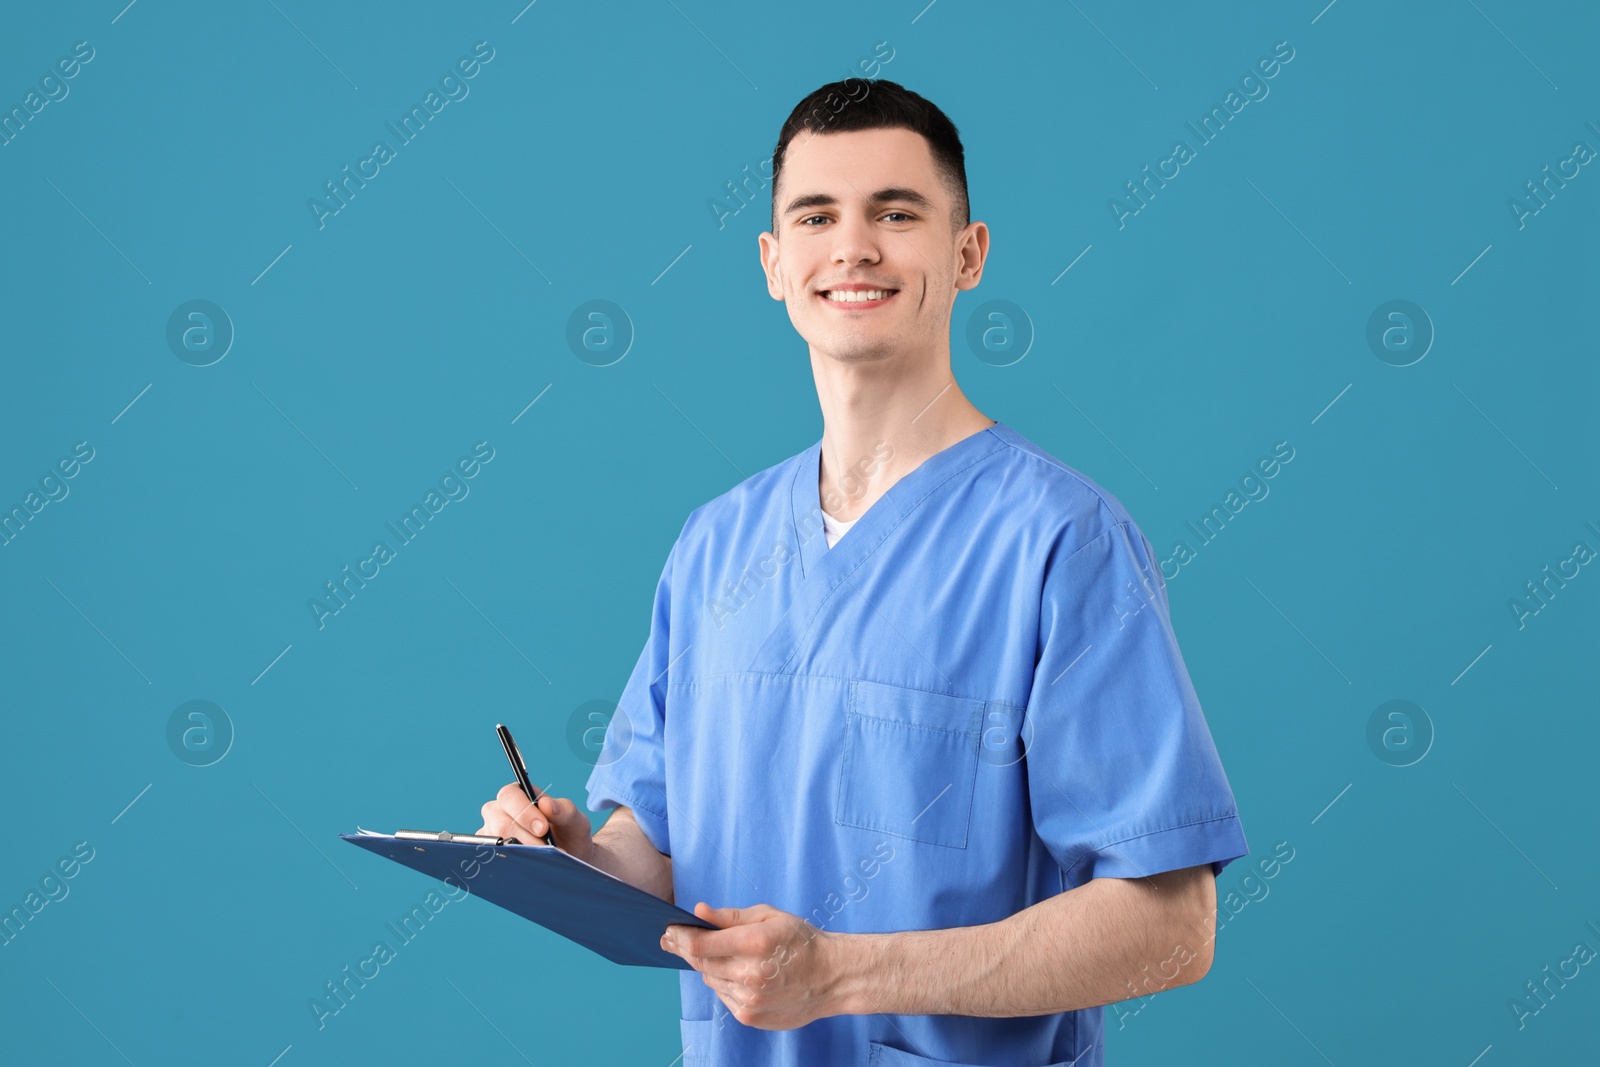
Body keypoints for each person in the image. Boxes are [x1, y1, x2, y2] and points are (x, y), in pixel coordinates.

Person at [479, 78, 1248, 1067]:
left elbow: (1171, 928)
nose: (853, 248)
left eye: (896, 212)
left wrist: (842, 972)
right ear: (772, 262)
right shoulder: (716, 547)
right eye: (815, 216)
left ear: (967, 252)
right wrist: (573, 860)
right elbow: (662, 850)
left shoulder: (1064, 543)